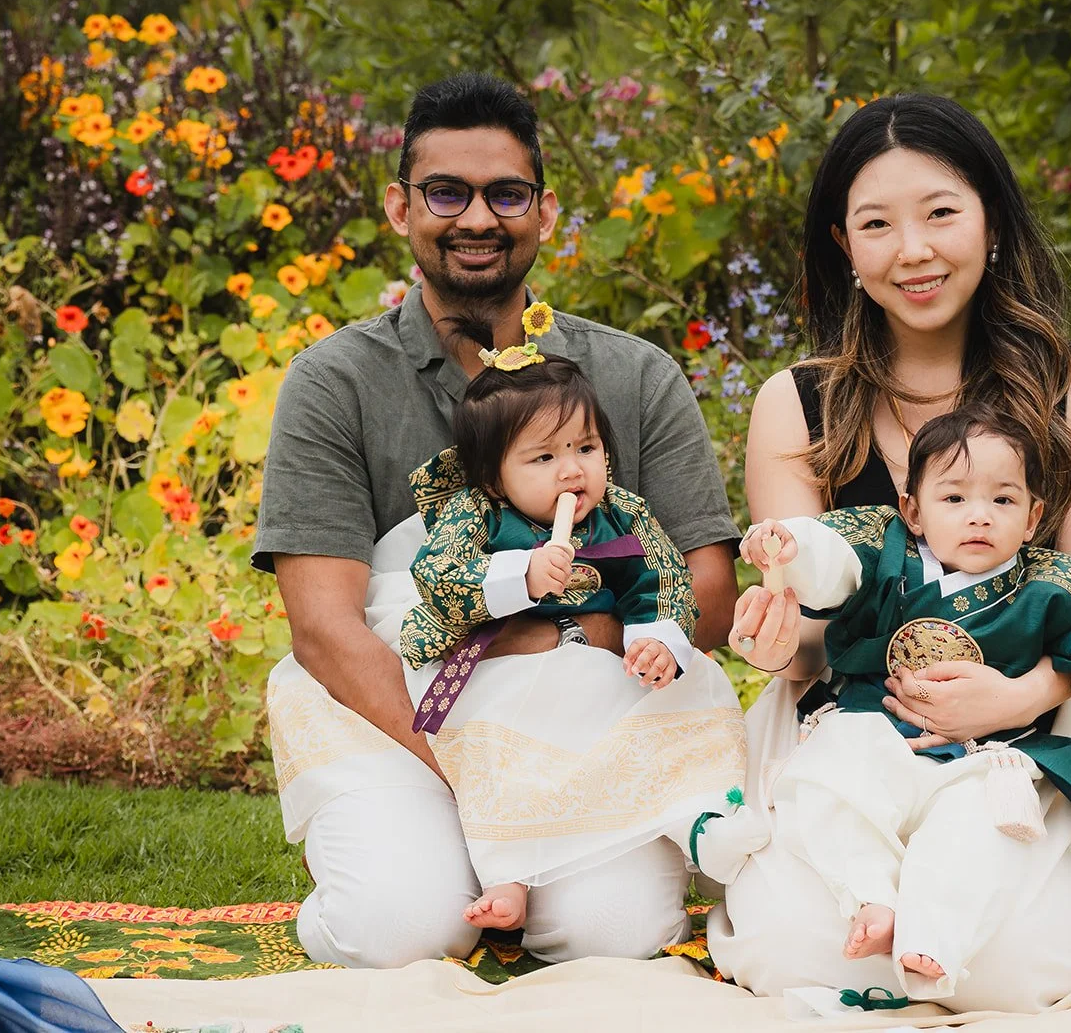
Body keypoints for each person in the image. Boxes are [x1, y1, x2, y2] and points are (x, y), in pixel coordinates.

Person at [253, 72, 739, 969]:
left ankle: (529, 883)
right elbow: (324, 627)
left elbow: (705, 590)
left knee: (612, 938)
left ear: (545, 213)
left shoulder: (633, 377)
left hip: (586, 721)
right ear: (401, 208)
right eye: (446, 192)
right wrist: (476, 769)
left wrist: (561, 671)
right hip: (400, 724)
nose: (477, 217)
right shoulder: (334, 382)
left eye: (505, 194)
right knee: (397, 931)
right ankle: (406, 877)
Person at [705, 92, 1071, 1013]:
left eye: (941, 213)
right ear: (845, 245)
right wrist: (774, 638)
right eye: (877, 224)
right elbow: (805, 641)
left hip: (1018, 745)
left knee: (999, 973)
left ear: (991, 219)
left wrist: (1017, 696)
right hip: (845, 738)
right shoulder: (798, 405)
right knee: (813, 951)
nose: (912, 250)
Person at [731, 405, 1071, 1000]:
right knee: (824, 776)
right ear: (913, 510)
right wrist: (792, 546)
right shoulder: (884, 551)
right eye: (954, 500)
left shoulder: (1057, 586)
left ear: (1033, 517)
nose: (979, 516)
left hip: (988, 758)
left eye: (1002, 500)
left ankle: (933, 942)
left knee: (975, 833)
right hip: (874, 730)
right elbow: (831, 557)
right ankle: (871, 896)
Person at [392, 326, 744, 933]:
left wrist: (656, 637)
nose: (572, 472)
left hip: (600, 673)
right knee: (507, 762)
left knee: (690, 703)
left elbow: (659, 579)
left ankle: (700, 817)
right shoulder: (478, 513)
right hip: (500, 673)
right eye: (544, 457)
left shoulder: (622, 515)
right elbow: (439, 577)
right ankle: (508, 872)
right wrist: (519, 576)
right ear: (496, 478)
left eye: (586, 448)